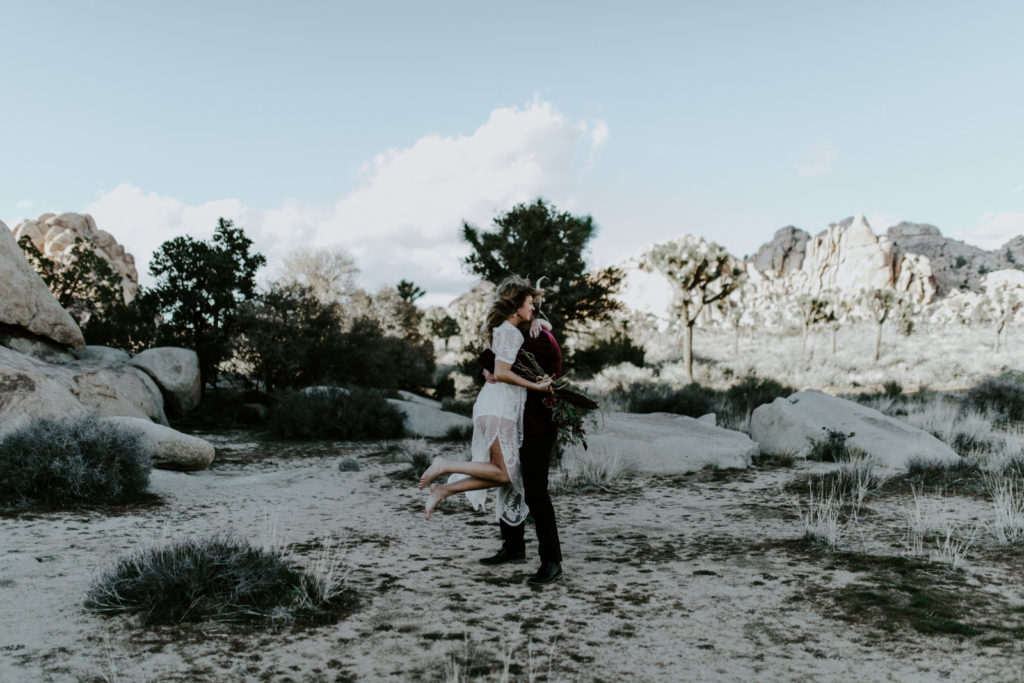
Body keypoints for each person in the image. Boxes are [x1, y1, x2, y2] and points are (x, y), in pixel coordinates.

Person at [418, 276, 552, 528]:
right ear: (516, 306)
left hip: (491, 405)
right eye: (530, 303)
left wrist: (537, 320)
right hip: (499, 408)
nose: (533, 307)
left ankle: (443, 490)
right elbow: (501, 372)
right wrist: (536, 385)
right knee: (504, 473)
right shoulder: (511, 333)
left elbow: (494, 365)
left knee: (503, 473)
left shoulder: (504, 329)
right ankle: (444, 466)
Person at [477, 313, 564, 585]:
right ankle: (513, 547)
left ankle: (552, 562)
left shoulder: (537, 339)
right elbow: (491, 358)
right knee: (508, 482)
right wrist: (486, 366)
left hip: (537, 426)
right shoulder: (521, 334)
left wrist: (489, 363)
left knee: (536, 492)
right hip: (518, 423)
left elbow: (503, 362)